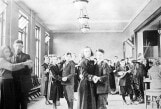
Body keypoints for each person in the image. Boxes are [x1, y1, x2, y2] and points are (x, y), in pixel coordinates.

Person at [12, 39, 33, 109]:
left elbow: (29, 70)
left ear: (22, 47)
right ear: (14, 46)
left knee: (24, 103)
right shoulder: (10, 57)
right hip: (13, 84)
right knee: (15, 103)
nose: (18, 47)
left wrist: (29, 67)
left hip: (23, 83)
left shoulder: (26, 56)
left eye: (20, 46)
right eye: (17, 46)